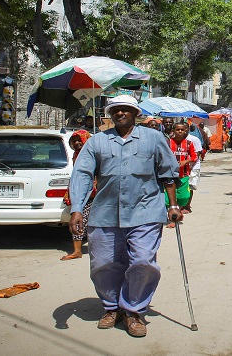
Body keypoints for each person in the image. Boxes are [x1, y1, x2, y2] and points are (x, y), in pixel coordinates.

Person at [68, 94, 181, 338]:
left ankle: (133, 310)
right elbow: (83, 174)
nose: (120, 113)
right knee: (103, 264)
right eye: (115, 110)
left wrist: (173, 205)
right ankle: (112, 308)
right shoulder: (97, 142)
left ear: (135, 114)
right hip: (105, 213)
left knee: (143, 261)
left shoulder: (153, 138)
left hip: (146, 211)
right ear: (110, 114)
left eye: (125, 109)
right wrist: (77, 208)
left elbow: (168, 172)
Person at [61, 130, 96, 261]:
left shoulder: (92, 154)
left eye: (79, 140)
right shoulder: (76, 155)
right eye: (74, 141)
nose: (76, 143)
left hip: (94, 192)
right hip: (83, 193)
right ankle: (77, 250)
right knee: (78, 220)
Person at [168, 122, 198, 218]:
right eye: (177, 130)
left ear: (185, 131)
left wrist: (186, 161)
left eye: (182, 130)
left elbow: (194, 157)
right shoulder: (168, 143)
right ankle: (172, 216)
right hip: (169, 175)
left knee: (184, 196)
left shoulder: (189, 144)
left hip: (183, 175)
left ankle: (179, 209)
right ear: (173, 131)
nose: (180, 131)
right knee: (168, 198)